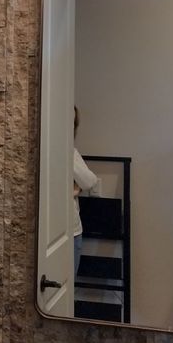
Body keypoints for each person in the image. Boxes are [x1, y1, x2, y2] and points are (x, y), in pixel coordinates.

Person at [73, 105, 100, 276]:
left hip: (73, 230)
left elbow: (89, 181)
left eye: (72, 123)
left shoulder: (71, 152)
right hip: (52, 232)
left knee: (69, 285)